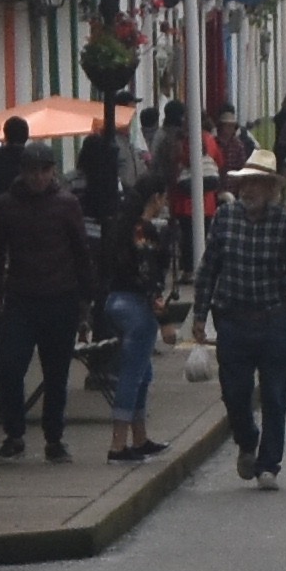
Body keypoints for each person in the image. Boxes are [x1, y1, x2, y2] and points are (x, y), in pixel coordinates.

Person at [197, 153, 286, 486]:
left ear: (271, 188)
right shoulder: (224, 218)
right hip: (232, 319)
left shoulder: (284, 223)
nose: (248, 190)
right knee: (235, 392)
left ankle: (269, 464)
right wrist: (199, 317)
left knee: (275, 395)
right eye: (245, 182)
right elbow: (208, 269)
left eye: (256, 183)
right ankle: (247, 440)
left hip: (273, 320)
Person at [0, 148, 91, 462]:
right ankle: (14, 434)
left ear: (53, 171)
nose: (38, 178)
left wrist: (86, 299)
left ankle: (54, 438)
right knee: (11, 368)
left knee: (56, 375)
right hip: (20, 298)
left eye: (44, 171)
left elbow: (80, 251)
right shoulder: (6, 205)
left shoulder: (67, 204)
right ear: (22, 171)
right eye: (32, 171)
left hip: (61, 297)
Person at [94, 162, 179, 463]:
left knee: (143, 372)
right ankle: (118, 443)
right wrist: (165, 320)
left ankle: (140, 438)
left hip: (116, 300)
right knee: (132, 374)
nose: (166, 203)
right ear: (155, 198)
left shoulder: (123, 228)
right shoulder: (144, 232)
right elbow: (149, 279)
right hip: (137, 307)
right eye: (164, 197)